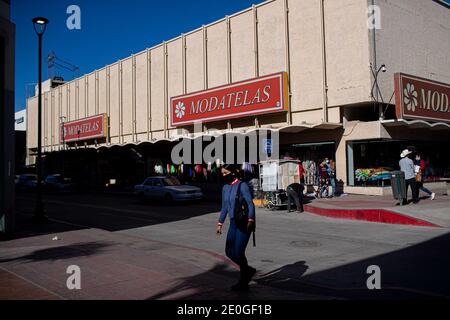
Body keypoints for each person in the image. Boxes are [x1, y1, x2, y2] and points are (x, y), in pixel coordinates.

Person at [216, 164, 256, 291]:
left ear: (233, 172)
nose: (223, 175)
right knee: (229, 251)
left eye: (225, 172)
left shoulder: (242, 185)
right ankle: (248, 270)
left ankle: (244, 281)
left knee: (239, 252)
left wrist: (251, 219)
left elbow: (250, 204)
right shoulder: (225, 188)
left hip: (244, 222)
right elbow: (224, 207)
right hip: (233, 222)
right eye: (222, 173)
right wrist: (220, 223)